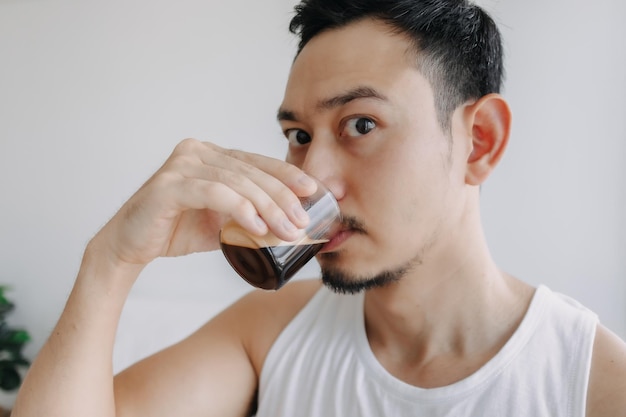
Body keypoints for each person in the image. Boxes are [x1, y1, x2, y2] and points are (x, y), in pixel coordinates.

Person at [12, 0, 626, 416]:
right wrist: (111, 260)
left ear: (479, 140)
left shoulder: (594, 384)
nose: (312, 179)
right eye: (300, 135)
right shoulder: (269, 333)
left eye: (361, 124)